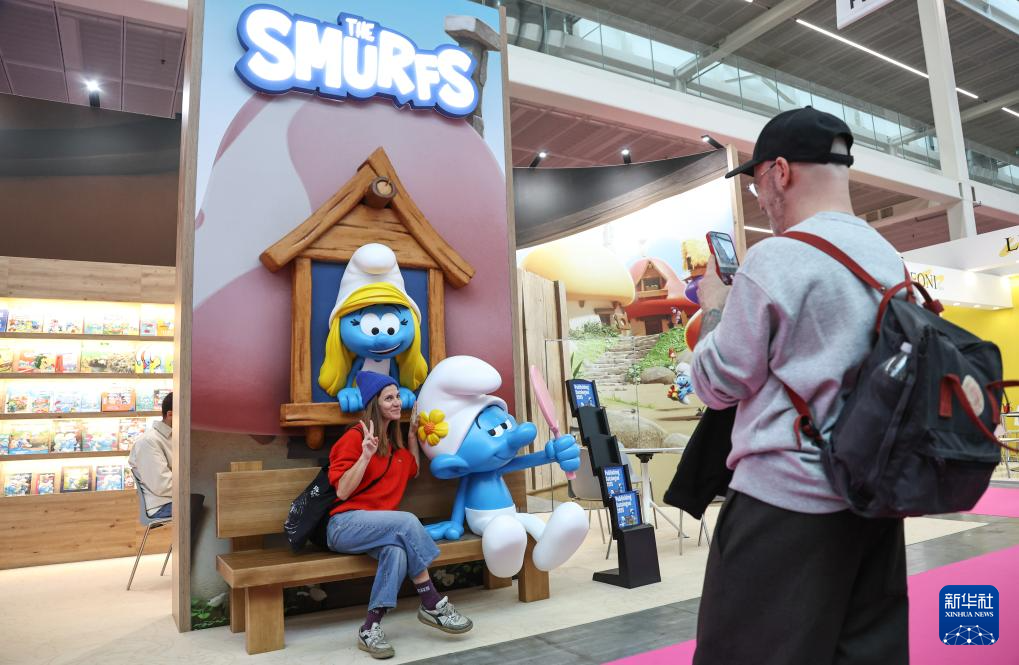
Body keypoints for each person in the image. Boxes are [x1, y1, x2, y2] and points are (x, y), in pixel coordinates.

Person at [690, 107, 910, 664]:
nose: (761, 200)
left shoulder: (776, 257)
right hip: (873, 502)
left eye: (757, 184)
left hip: (783, 505)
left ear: (780, 172)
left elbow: (718, 383)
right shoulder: (889, 260)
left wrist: (714, 309)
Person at [327, 371, 473, 660]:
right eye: (388, 398)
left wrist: (411, 436)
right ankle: (431, 601)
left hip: (378, 532)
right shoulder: (355, 438)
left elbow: (413, 469)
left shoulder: (395, 452)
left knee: (396, 552)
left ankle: (370, 628)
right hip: (344, 526)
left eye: (397, 397)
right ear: (374, 404)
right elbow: (342, 490)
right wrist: (364, 456)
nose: (397, 402)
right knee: (407, 521)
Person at [128, 392, 205, 523]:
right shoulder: (148, 442)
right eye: (188, 414)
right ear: (170, 415)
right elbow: (162, 485)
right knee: (210, 502)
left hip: (175, 498)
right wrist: (197, 486)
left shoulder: (175, 436)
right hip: (162, 504)